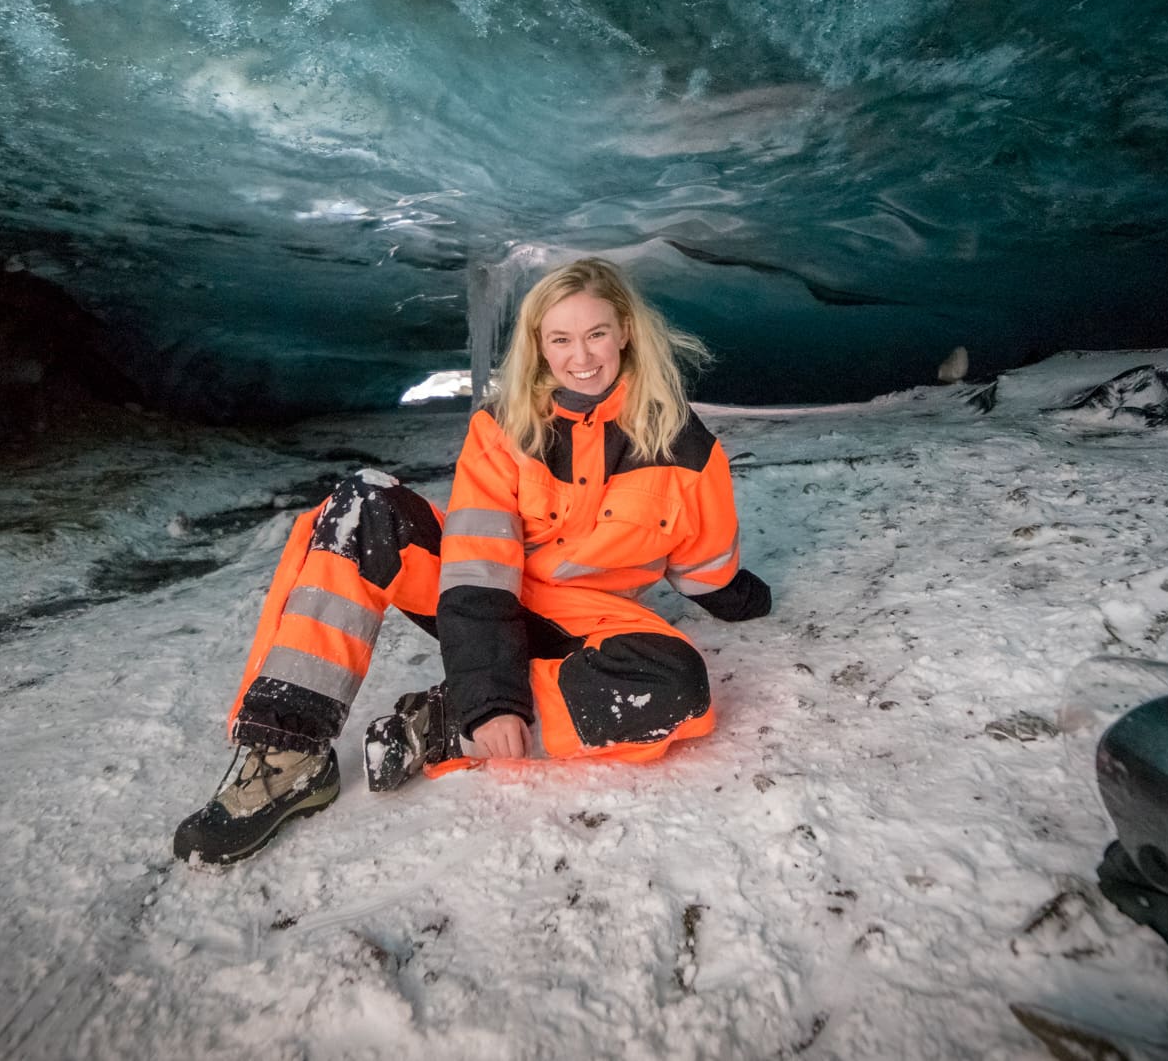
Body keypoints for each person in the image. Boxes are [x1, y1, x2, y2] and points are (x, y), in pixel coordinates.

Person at [173, 256, 772, 865]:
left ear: (624, 331)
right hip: (479, 600)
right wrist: (494, 695)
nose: (581, 355)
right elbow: (478, 565)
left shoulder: (686, 446)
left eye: (595, 334)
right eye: (560, 338)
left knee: (678, 682)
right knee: (361, 504)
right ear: (539, 346)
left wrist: (738, 596)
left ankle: (440, 722)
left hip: (581, 623)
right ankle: (288, 750)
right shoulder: (503, 427)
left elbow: (705, 563)